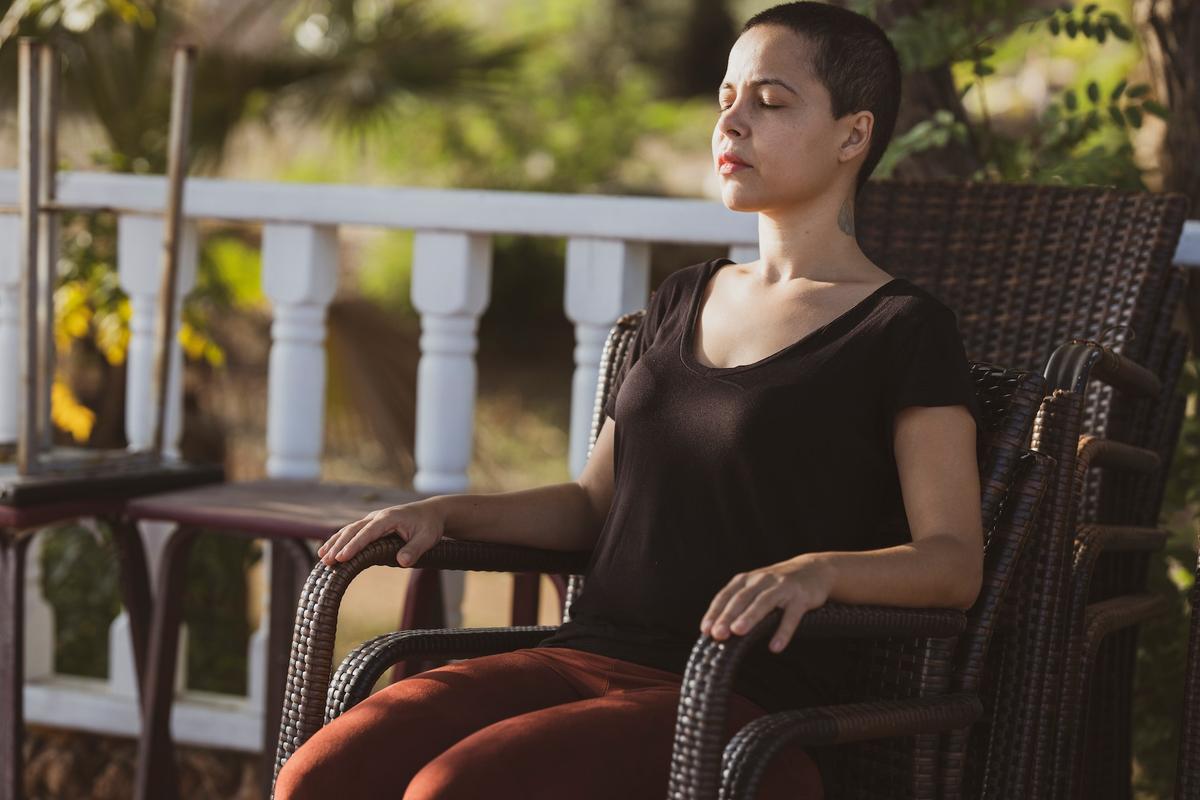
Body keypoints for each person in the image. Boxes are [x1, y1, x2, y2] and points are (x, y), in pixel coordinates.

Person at [275, 2, 984, 798]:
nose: (733, 123)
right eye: (726, 99)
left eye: (771, 102)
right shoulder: (682, 298)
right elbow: (592, 506)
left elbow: (953, 561)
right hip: (581, 656)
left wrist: (819, 572)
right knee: (321, 775)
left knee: (455, 790)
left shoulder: (902, 328)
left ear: (854, 135)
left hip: (739, 698)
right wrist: (448, 512)